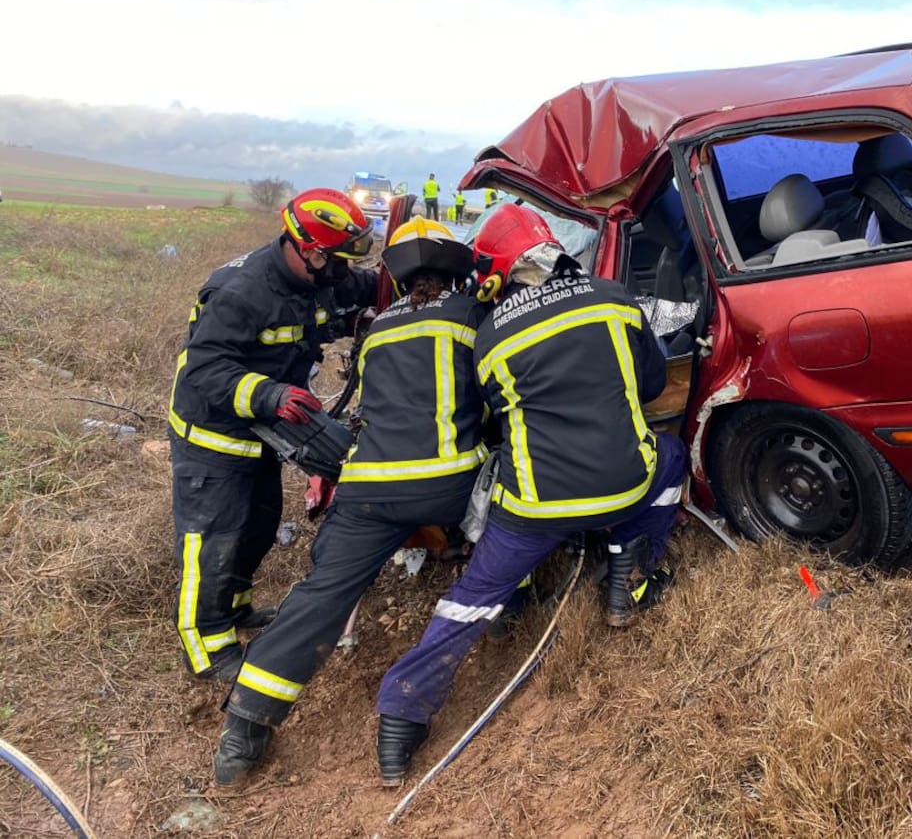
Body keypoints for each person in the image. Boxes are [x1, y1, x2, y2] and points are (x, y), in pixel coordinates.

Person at [373, 203, 686, 784]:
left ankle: (401, 717)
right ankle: (627, 581)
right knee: (670, 460)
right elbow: (650, 385)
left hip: (536, 511)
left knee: (471, 598)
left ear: (494, 272)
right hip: (625, 486)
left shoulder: (490, 335)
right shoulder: (615, 298)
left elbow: (495, 420)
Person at [212, 216, 486, 786]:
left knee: (321, 595)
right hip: (448, 485)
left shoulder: (379, 329)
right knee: (513, 529)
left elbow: (363, 405)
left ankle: (245, 731)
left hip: (368, 493)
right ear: (457, 271)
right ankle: (507, 619)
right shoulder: (472, 317)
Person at [169, 188, 377, 682]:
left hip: (260, 434)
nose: (346, 273)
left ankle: (236, 610)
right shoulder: (241, 292)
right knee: (213, 539)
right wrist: (268, 396)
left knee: (258, 525)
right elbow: (205, 369)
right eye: (339, 262)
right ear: (309, 250)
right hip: (213, 435)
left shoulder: (321, 279)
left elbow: (370, 287)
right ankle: (207, 649)